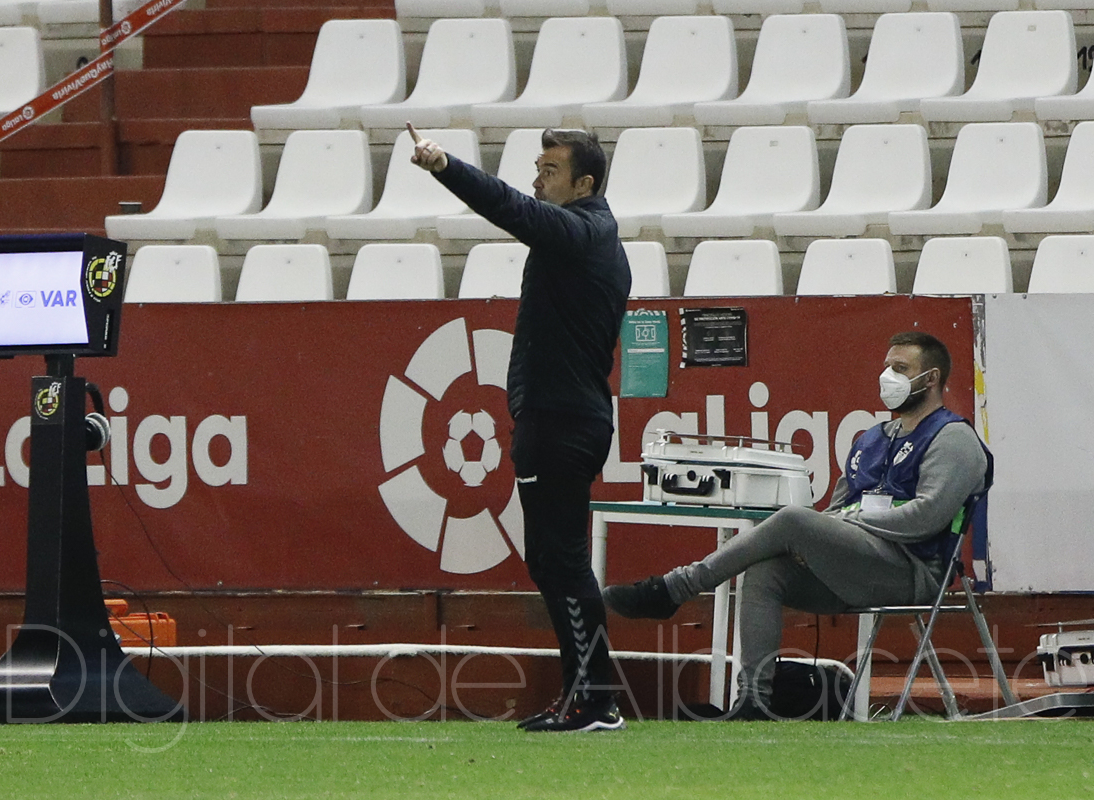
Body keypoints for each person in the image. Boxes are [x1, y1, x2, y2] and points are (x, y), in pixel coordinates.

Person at [603, 331, 994, 720]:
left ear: (931, 378)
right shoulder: (872, 439)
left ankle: (675, 588)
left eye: (901, 368)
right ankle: (755, 702)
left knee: (794, 518)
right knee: (764, 572)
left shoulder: (953, 438)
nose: (887, 377)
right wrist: (820, 540)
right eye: (886, 366)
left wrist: (835, 526)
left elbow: (925, 518)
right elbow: (837, 509)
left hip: (913, 570)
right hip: (856, 566)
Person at [409, 125, 632, 732]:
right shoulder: (589, 239)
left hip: (562, 419)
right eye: (536, 167)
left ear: (584, 184)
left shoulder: (583, 233)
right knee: (552, 561)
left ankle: (595, 699)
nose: (537, 181)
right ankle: (584, 695)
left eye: (550, 171)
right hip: (561, 416)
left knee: (561, 560)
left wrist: (446, 166)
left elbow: (513, 209)